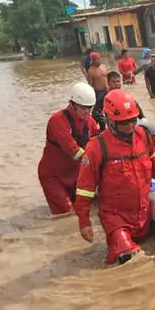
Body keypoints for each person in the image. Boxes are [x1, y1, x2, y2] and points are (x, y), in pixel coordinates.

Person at [74, 89, 155, 265]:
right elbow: (85, 189)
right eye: (124, 122)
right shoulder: (96, 148)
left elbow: (153, 160)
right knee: (131, 262)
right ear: (110, 120)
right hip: (116, 218)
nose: (129, 126)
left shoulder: (143, 136)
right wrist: (84, 222)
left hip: (143, 214)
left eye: (132, 120)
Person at [37, 82, 101, 218]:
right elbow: (74, 151)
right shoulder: (57, 121)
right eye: (84, 108)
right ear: (72, 104)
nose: (87, 112)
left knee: (85, 207)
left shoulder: (90, 121)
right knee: (67, 213)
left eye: (90, 108)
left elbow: (99, 143)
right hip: (53, 176)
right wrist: (97, 162)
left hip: (74, 174)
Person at [86, 52, 110, 131]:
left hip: (108, 91)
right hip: (98, 93)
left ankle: (103, 127)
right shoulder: (90, 71)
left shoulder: (104, 67)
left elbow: (108, 78)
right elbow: (90, 85)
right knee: (97, 112)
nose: (98, 61)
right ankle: (93, 127)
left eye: (99, 59)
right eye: (96, 59)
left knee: (107, 110)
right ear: (92, 61)